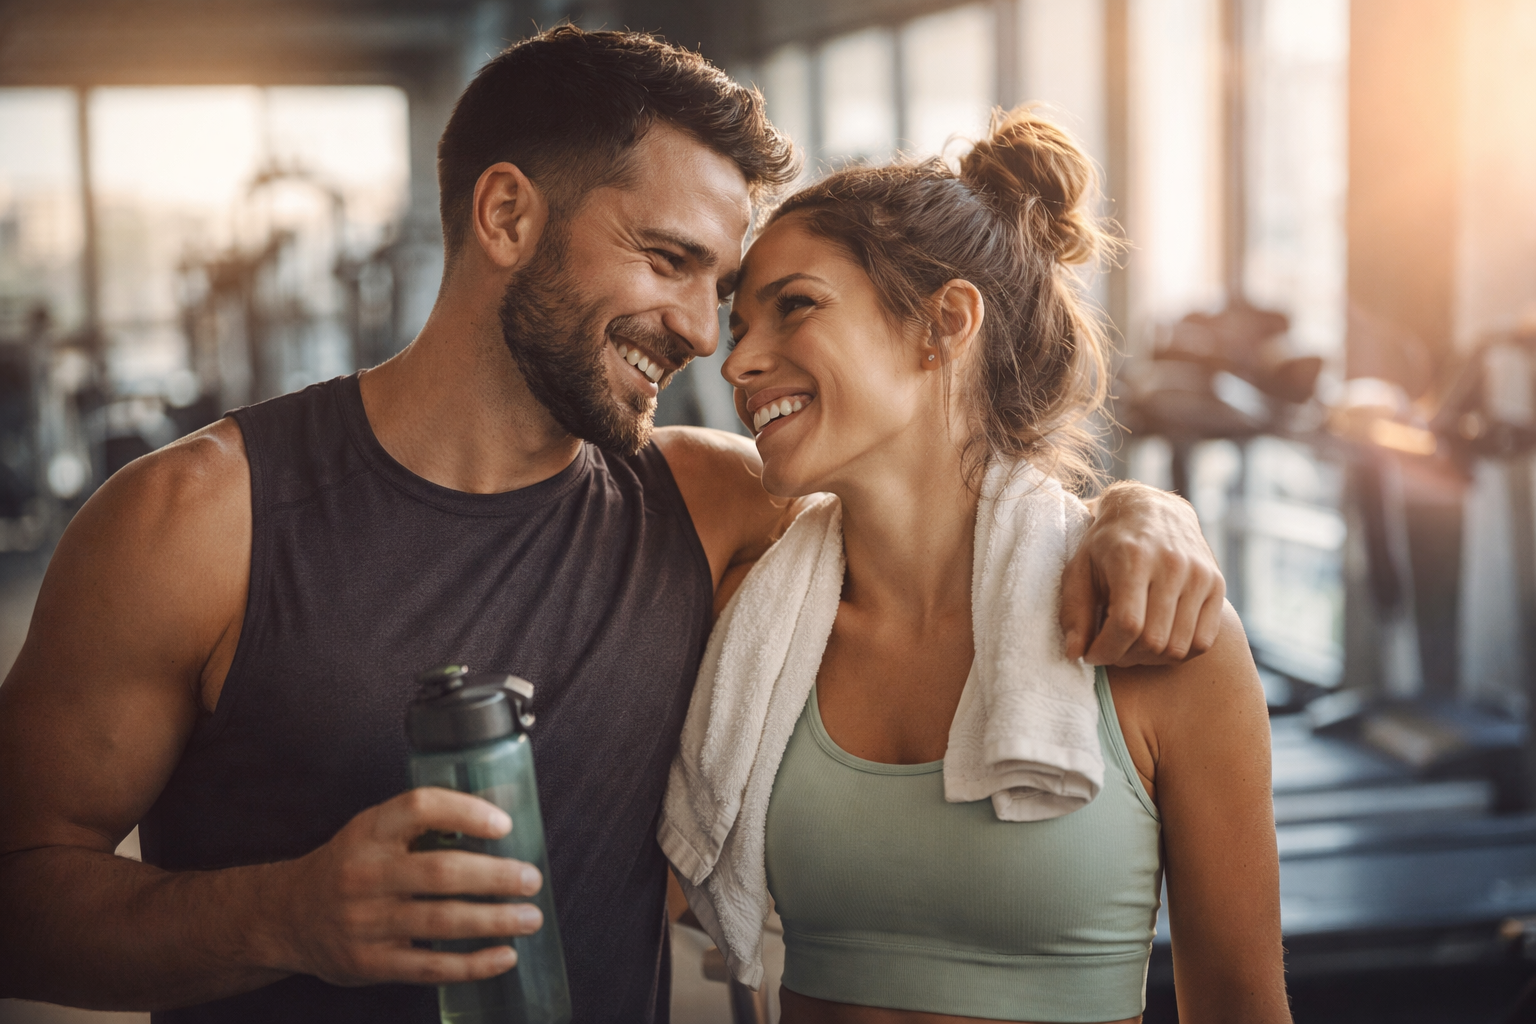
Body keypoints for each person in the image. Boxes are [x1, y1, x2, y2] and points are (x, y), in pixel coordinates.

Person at [0, 29, 1226, 1024]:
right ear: (506, 217)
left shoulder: (702, 501)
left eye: (726, 287)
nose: (706, 334)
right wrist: (283, 916)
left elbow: (962, 494)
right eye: (669, 260)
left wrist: (1136, 510)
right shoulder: (197, 519)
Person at [673, 109, 1288, 1023]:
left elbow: (1241, 1005)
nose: (742, 362)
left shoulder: (1156, 635)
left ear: (944, 322)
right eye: (738, 328)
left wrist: (1147, 507)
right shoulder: (743, 586)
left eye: (794, 305)